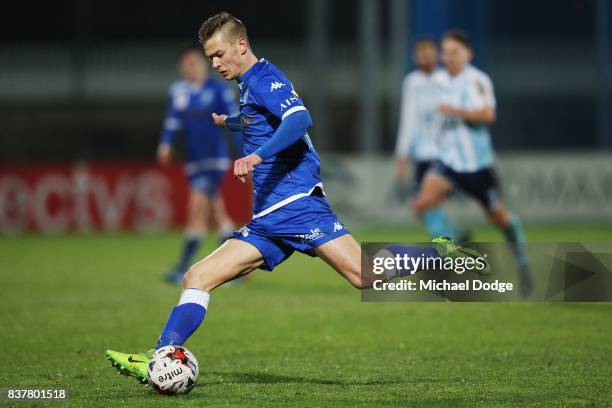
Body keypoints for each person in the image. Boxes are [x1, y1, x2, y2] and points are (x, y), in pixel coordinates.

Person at [105, 14, 487, 382]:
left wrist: (256, 156)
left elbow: (299, 119)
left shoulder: (266, 78)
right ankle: (159, 356)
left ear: (241, 45)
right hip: (268, 218)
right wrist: (232, 123)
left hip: (297, 206)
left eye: (219, 55)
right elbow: (261, 120)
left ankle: (440, 252)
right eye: (210, 59)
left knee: (364, 275)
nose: (215, 63)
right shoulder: (249, 84)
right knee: (197, 277)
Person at [412, 30, 532, 296]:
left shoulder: (478, 80)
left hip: (477, 166)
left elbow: (488, 114)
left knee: (499, 218)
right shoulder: (438, 81)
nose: (449, 57)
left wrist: (457, 112)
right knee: (421, 203)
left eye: (454, 52)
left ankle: (523, 264)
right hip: (448, 162)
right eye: (446, 52)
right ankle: (453, 246)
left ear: (468, 54)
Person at [158, 46, 239, 284]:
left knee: (197, 207)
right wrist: (165, 144)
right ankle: (237, 269)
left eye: (194, 63)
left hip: (214, 158)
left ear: (204, 65)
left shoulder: (218, 90)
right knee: (217, 213)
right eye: (186, 65)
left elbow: (236, 121)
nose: (190, 68)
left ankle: (184, 265)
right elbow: (172, 122)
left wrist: (245, 153)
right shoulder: (179, 92)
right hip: (192, 159)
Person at [395, 37, 466, 241]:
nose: (425, 57)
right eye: (421, 53)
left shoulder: (447, 80)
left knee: (426, 203)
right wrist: (402, 154)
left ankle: (446, 243)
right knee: (422, 208)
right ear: (415, 57)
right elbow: (408, 120)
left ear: (437, 56)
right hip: (422, 154)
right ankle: (456, 234)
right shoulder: (412, 82)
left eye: (429, 52)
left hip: (445, 154)